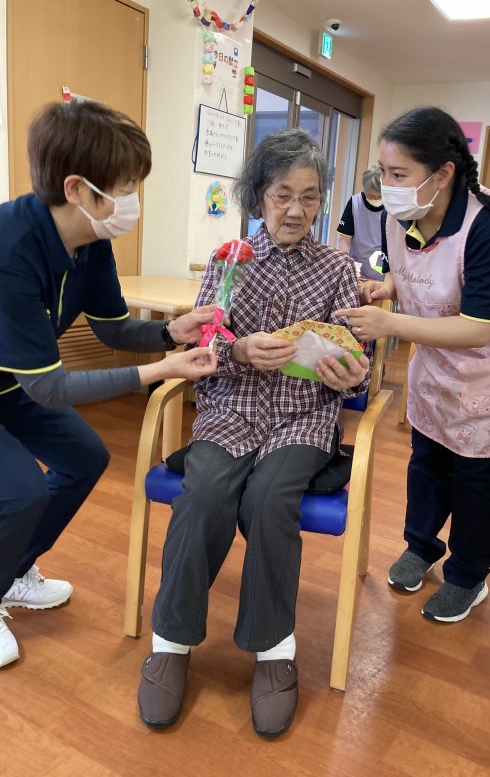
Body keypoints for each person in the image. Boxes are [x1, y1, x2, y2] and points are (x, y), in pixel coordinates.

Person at [137, 128, 370, 737]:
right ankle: (170, 642)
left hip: (302, 417)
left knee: (269, 500)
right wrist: (238, 349)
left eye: (310, 196)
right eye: (281, 194)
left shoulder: (337, 269)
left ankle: (274, 650)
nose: (295, 209)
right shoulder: (229, 260)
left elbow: (355, 359)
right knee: (204, 495)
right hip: (230, 410)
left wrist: (352, 371)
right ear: (258, 195)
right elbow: (203, 344)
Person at [0, 100, 217, 669]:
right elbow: (49, 389)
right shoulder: (10, 249)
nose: (133, 201)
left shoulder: (91, 240)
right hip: (25, 383)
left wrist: (170, 333)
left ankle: (12, 571)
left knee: (84, 458)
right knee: (19, 491)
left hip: (13, 383)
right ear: (77, 188)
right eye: (125, 188)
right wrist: (162, 370)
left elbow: (114, 328)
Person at [338, 105, 490, 623]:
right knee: (427, 465)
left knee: (481, 484)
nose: (386, 187)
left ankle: (467, 575)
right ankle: (421, 545)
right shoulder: (402, 215)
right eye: (384, 172)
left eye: (398, 174)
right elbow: (413, 270)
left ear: (443, 173)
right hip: (437, 372)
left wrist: (389, 323)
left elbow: (478, 328)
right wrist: (387, 289)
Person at [336, 164, 387, 281]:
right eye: (371, 196)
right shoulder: (354, 203)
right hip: (359, 270)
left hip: (384, 271)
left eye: (379, 196)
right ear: (364, 189)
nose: (376, 199)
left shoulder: (391, 205)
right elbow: (344, 239)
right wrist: (345, 263)